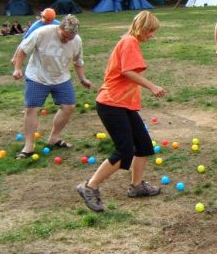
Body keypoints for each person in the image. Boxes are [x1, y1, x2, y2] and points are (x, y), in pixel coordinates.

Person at [77, 11, 166, 212]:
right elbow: (127, 71)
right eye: (151, 31)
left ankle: (136, 187)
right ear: (142, 28)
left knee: (143, 145)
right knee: (125, 151)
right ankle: (89, 187)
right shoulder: (129, 42)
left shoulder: (129, 42)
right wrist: (152, 86)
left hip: (122, 105)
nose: (152, 35)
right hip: (111, 104)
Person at [12, 15, 92, 159]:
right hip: (37, 76)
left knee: (69, 107)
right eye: (65, 36)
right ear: (59, 28)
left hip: (61, 78)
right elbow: (23, 50)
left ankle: (54, 138)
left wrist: (83, 79)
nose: (67, 40)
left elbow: (77, 61)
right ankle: (29, 146)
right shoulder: (42, 33)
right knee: (31, 108)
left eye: (71, 38)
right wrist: (18, 68)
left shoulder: (76, 41)